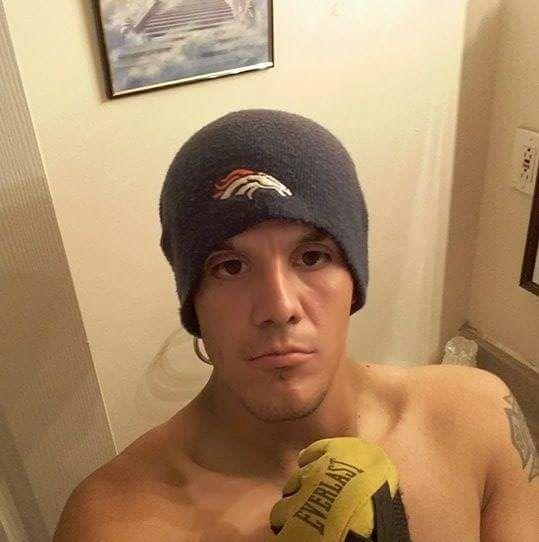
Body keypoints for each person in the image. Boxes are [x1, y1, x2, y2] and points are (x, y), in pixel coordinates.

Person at [53, 109, 538, 541]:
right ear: (193, 303)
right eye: (230, 267)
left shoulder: (475, 419)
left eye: (311, 257)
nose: (279, 307)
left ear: (354, 282)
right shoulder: (114, 522)